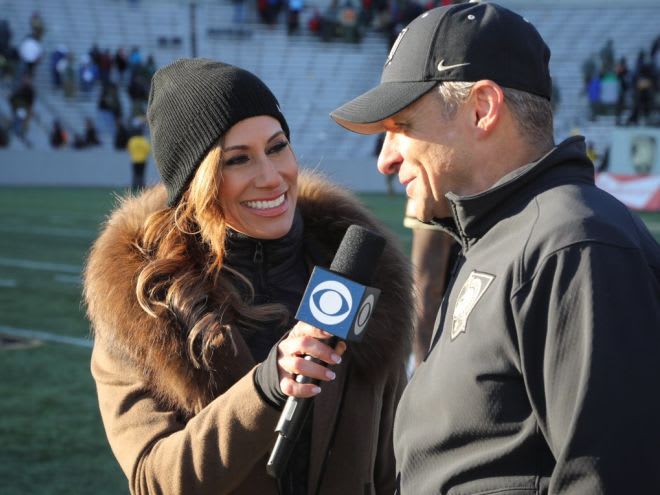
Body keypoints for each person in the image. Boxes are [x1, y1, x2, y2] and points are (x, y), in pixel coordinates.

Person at [330, 3, 660, 493]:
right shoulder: (499, 237)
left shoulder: (574, 246)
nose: (385, 159)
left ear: (482, 108)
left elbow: (610, 477)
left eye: (401, 126)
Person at [83, 58, 412, 495]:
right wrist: (264, 389)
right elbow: (153, 480)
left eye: (277, 147)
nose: (271, 177)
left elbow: (390, 467)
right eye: (238, 160)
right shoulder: (145, 304)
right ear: (195, 183)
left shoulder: (359, 272)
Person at [126, 123, 150, 191]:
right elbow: (148, 150)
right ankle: (141, 187)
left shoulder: (132, 140)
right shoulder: (144, 140)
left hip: (134, 160)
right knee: (142, 174)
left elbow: (129, 149)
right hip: (143, 160)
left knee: (135, 174)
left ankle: (134, 186)